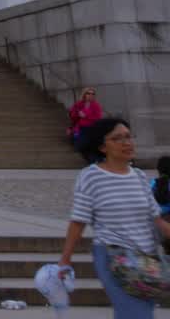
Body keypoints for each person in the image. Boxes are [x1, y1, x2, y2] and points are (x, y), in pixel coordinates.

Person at [59, 117, 170, 319]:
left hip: (147, 259)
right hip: (114, 255)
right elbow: (78, 221)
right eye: (117, 138)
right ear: (102, 147)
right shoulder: (91, 176)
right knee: (135, 314)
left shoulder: (138, 176)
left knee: (138, 313)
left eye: (128, 137)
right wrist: (65, 259)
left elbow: (157, 220)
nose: (126, 143)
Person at [68, 88, 104, 152]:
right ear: (84, 94)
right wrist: (77, 114)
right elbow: (72, 115)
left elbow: (98, 118)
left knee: (84, 142)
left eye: (93, 94)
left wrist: (86, 116)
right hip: (79, 127)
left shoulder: (96, 105)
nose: (91, 95)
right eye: (88, 93)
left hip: (90, 127)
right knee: (76, 137)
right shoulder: (79, 104)